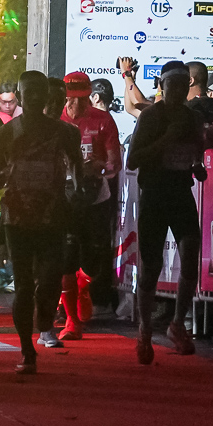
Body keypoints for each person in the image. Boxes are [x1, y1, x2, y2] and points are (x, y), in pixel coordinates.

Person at [0, 68, 81, 374]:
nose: (34, 98)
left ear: (47, 97)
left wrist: (78, 191)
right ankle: (26, 349)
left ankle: (45, 318)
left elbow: (76, 163)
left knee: (50, 281)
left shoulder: (64, 132)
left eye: (39, 93)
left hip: (52, 215)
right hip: (17, 217)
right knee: (23, 285)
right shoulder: (7, 132)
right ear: (20, 97)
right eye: (29, 93)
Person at [126, 65, 206, 364]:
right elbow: (132, 160)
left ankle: (177, 323)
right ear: (162, 84)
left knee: (191, 257)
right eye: (172, 85)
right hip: (154, 196)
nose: (178, 91)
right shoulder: (150, 116)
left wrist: (197, 166)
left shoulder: (191, 118)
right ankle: (145, 329)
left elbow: (196, 153)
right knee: (151, 266)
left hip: (181, 194)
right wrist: (165, 141)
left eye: (183, 85)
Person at [58, 70, 123, 340]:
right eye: (71, 99)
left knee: (95, 257)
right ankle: (71, 321)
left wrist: (98, 167)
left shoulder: (103, 120)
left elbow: (115, 164)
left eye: (82, 98)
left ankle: (84, 285)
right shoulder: (56, 121)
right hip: (64, 197)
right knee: (66, 257)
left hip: (96, 197)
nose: (76, 105)